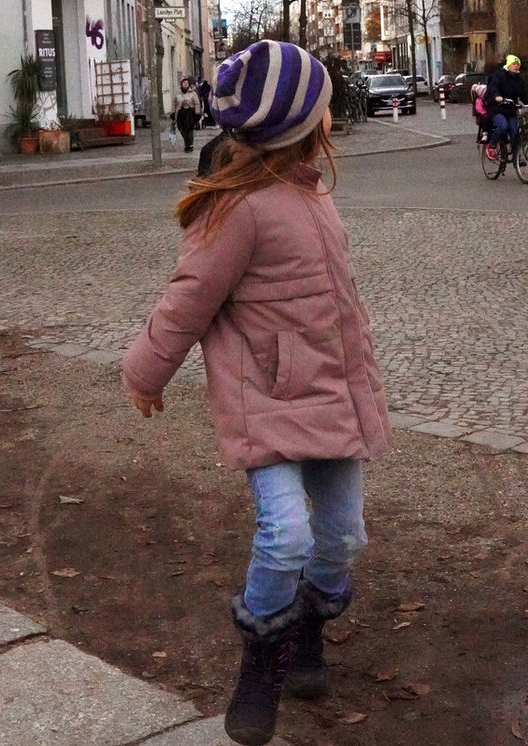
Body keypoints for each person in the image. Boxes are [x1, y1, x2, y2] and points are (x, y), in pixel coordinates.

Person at [122, 40, 390, 746]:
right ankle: (259, 661)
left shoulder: (312, 194)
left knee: (339, 538)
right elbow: (188, 299)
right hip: (266, 399)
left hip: (333, 395)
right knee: (286, 535)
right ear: (302, 123)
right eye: (325, 107)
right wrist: (145, 371)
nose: (332, 118)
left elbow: (338, 304)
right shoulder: (238, 208)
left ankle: (306, 631)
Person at [484, 54, 528, 159]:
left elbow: (524, 93)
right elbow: (493, 87)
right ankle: (491, 146)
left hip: (511, 109)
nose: (516, 66)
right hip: (497, 108)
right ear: (508, 65)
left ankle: (516, 158)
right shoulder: (500, 76)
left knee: (514, 131)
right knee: (503, 126)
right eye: (514, 64)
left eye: (518, 64)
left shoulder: (519, 79)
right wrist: (497, 96)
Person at [171, 77, 200, 153]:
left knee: (190, 129)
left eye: (187, 83)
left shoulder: (193, 93)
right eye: (184, 83)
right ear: (181, 84)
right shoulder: (177, 93)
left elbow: (197, 103)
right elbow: (174, 103)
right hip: (180, 113)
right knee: (182, 129)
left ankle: (190, 145)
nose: (185, 84)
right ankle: (186, 143)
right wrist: (173, 113)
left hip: (190, 113)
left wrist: (197, 113)